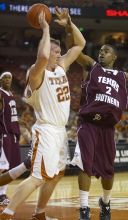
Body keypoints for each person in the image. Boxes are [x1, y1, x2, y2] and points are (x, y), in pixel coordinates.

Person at [0, 6, 85, 220]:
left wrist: (69, 24)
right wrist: (45, 28)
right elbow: (43, 55)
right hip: (45, 130)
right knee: (37, 177)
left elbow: (80, 44)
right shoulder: (35, 73)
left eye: (58, 52)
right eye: (55, 52)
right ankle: (8, 213)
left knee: (56, 175)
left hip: (60, 131)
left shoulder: (61, 66)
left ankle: (40, 213)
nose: (58, 55)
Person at [65, 25, 128, 220]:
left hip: (108, 128)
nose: (102, 53)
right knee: (85, 165)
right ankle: (84, 208)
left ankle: (106, 202)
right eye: (100, 51)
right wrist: (68, 27)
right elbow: (74, 52)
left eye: (106, 51)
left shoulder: (121, 77)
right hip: (88, 124)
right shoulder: (92, 67)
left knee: (109, 171)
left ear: (114, 57)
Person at [0, 71, 21, 206]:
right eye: (5, 77)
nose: (8, 79)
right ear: (0, 80)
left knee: (9, 167)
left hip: (12, 134)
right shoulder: (0, 94)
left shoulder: (11, 95)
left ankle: (2, 194)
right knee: (2, 166)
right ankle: (1, 194)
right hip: (3, 134)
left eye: (10, 77)